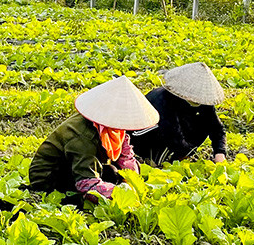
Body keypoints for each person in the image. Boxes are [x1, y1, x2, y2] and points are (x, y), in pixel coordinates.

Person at [29, 76, 159, 204]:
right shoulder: (83, 136)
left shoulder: (112, 127)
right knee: (91, 191)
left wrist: (133, 182)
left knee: (113, 173)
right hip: (50, 178)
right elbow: (86, 183)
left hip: (73, 167)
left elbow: (125, 157)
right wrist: (123, 196)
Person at [131, 62, 228, 165]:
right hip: (145, 137)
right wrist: (184, 153)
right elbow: (172, 135)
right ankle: (154, 160)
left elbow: (217, 129)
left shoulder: (203, 102)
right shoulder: (164, 100)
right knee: (165, 136)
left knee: (204, 124)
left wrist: (220, 152)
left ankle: (178, 156)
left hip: (174, 132)